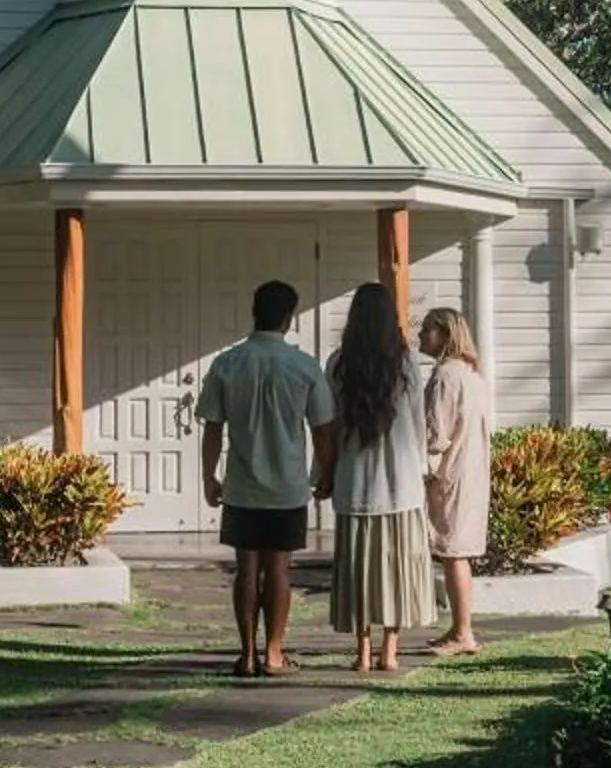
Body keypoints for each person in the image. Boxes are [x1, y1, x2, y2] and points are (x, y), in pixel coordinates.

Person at [197, 278, 334, 679]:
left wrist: (209, 475)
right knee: (279, 570)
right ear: (289, 318)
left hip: (242, 482)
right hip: (287, 485)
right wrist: (327, 472)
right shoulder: (304, 365)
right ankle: (274, 653)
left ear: (254, 310)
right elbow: (323, 428)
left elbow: (212, 427)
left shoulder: (227, 362)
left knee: (246, 568)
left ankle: (247, 654)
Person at [325, 284, 439, 673]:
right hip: (400, 482)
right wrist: (424, 469)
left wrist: (322, 474)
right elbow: (418, 427)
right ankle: (390, 650)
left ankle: (361, 652)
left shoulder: (338, 364)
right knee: (396, 568)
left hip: (354, 480)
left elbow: (331, 425)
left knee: (359, 571)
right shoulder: (406, 365)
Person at [418, 306, 492, 655]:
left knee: (454, 552)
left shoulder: (446, 377)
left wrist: (423, 469)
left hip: (452, 474)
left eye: (427, 330)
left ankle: (464, 633)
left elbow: (436, 433)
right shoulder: (472, 375)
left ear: (445, 335)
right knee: (456, 551)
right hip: (471, 471)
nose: (420, 335)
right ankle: (458, 629)